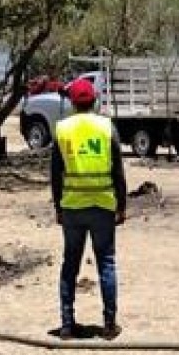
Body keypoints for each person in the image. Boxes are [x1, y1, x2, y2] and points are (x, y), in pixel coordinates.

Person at [51, 78, 127, 341]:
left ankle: (67, 324)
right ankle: (108, 324)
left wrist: (57, 206)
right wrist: (122, 205)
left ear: (72, 103)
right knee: (106, 263)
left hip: (72, 207)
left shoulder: (62, 129)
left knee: (70, 264)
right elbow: (118, 169)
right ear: (94, 101)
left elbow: (55, 172)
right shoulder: (106, 127)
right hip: (103, 206)